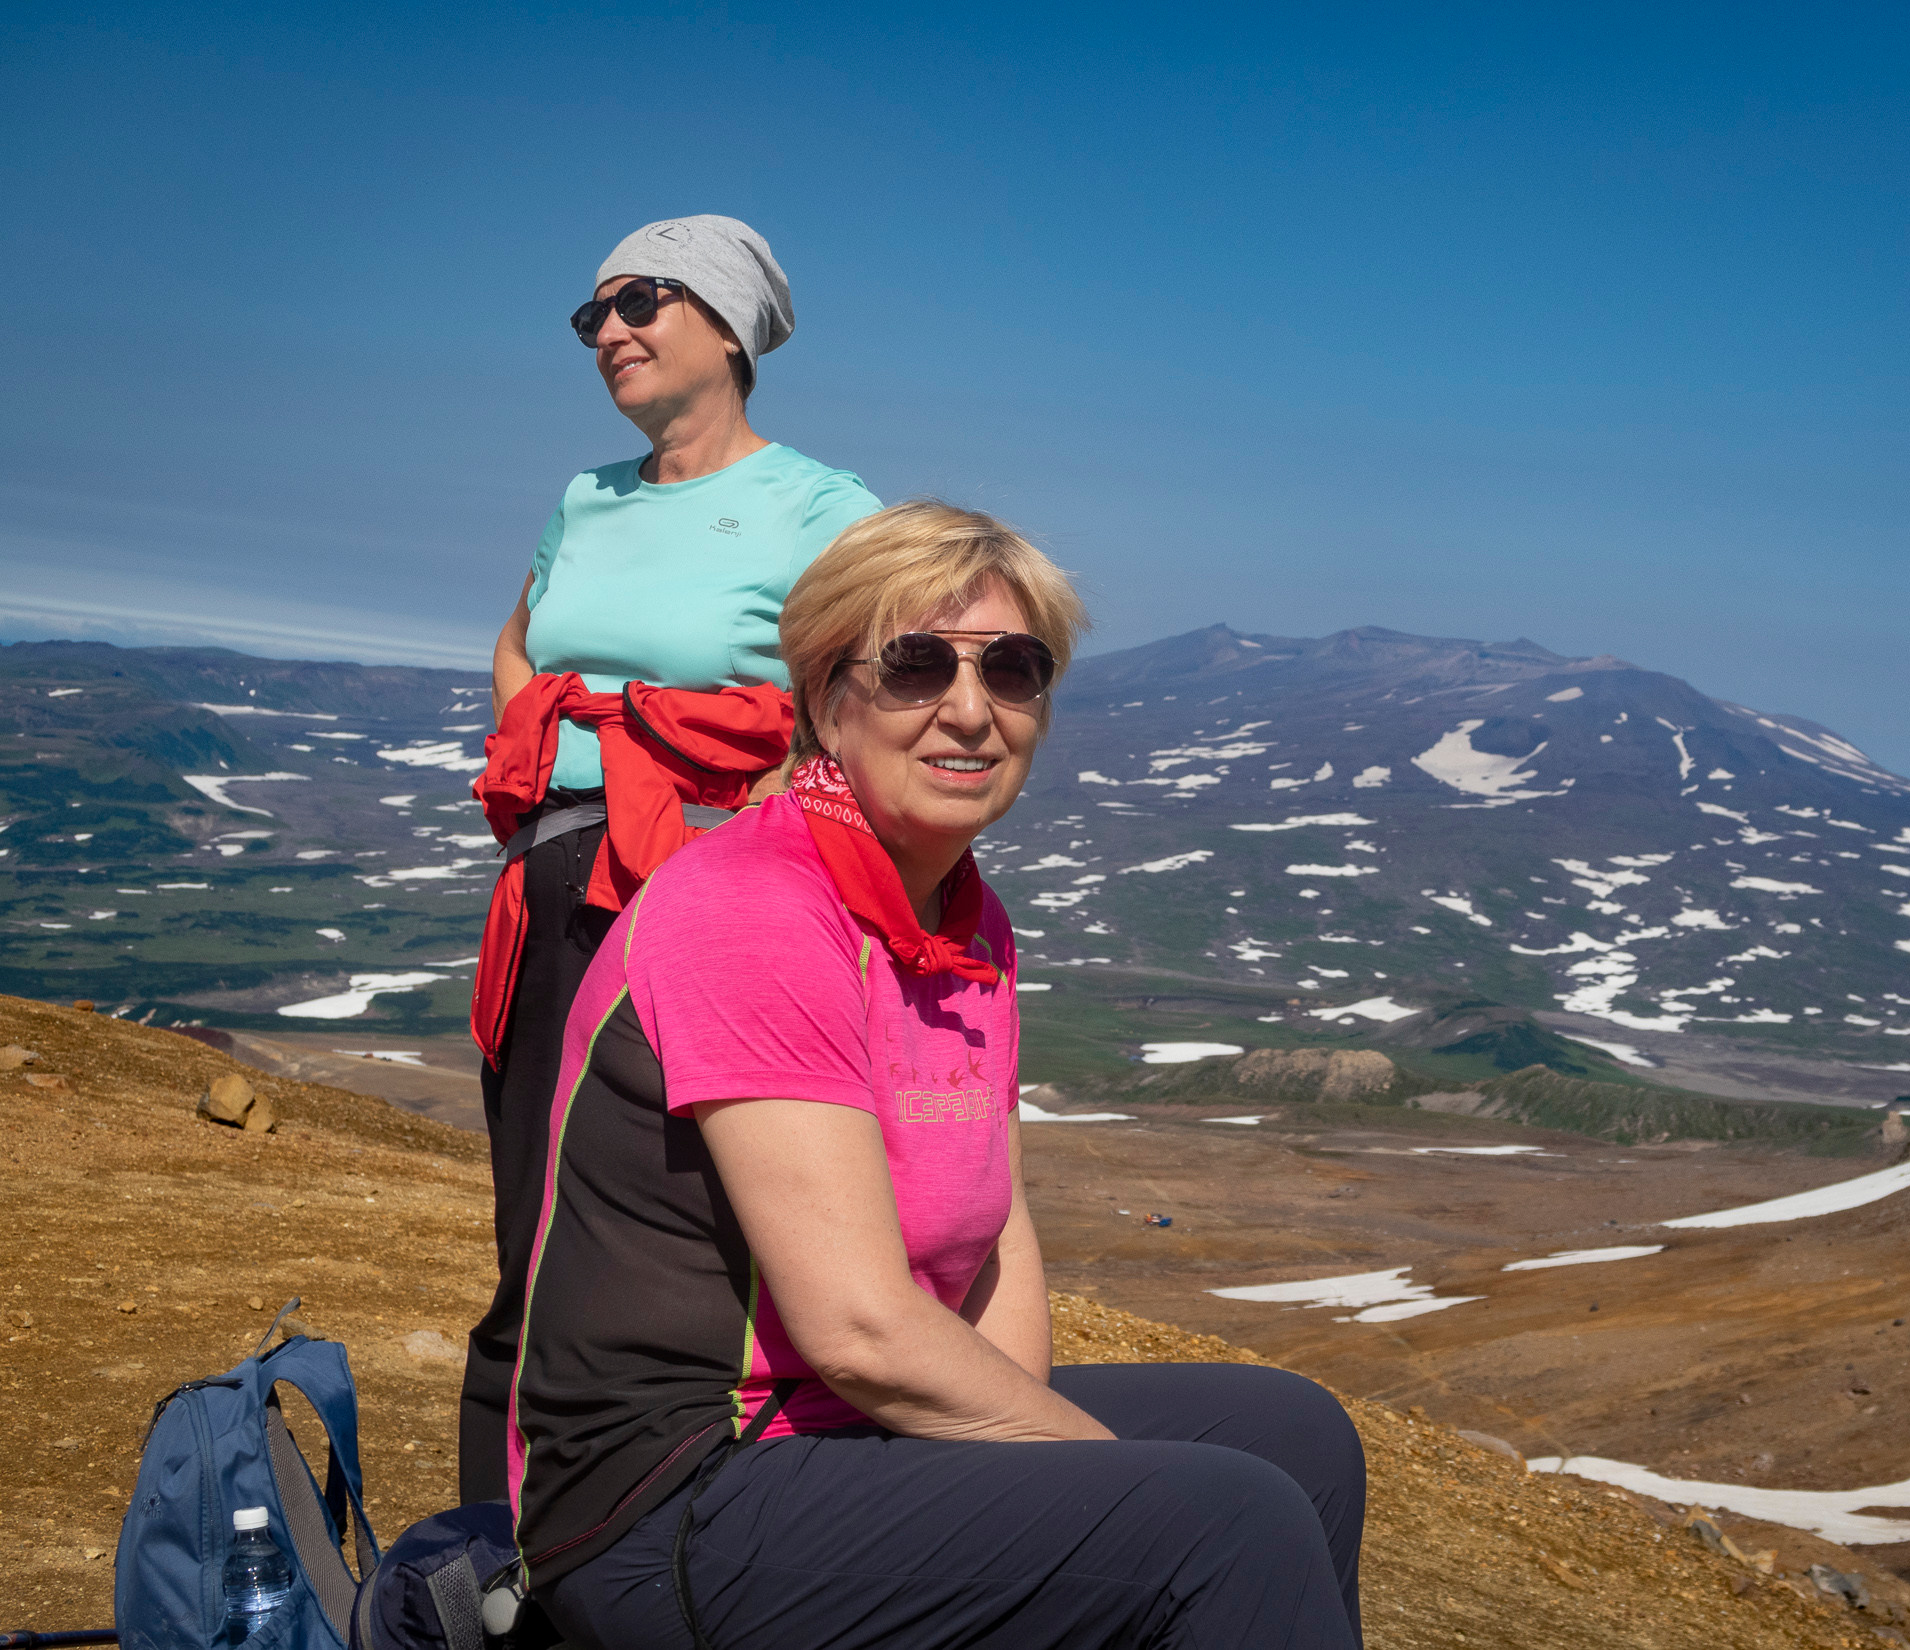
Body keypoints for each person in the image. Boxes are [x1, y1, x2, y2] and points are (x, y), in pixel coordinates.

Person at [507, 503, 1365, 1650]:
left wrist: (1061, 1502)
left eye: (1012, 669)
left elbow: (992, 1230)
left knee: (1292, 1435)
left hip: (839, 1435)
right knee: (1222, 1520)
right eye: (914, 666)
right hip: (672, 1491)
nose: (970, 710)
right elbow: (860, 1328)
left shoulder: (964, 918)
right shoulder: (755, 905)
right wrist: (1110, 1489)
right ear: (824, 697)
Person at [460, 214, 882, 1502]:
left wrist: (737, 841)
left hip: (707, 889)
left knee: (676, 1229)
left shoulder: (826, 510)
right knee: (534, 1229)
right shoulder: (584, 497)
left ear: (729, 323)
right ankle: (499, 1552)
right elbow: (521, 641)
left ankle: (691, 1519)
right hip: (555, 874)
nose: (610, 332)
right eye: (591, 314)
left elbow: (860, 706)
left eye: (641, 301)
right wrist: (546, 736)